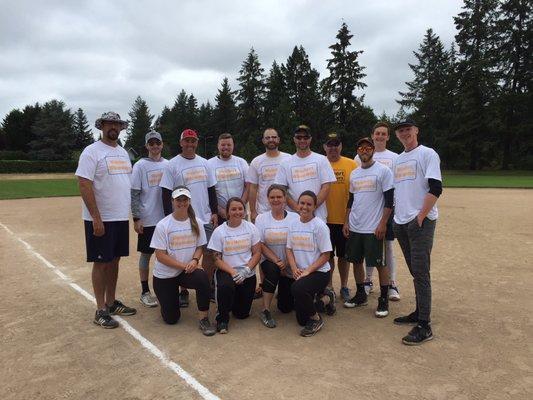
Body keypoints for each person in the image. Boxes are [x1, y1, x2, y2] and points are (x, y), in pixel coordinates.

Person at [75, 111, 136, 329]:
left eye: (117, 124)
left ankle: (111, 302)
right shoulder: (91, 152)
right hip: (101, 219)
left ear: (121, 128)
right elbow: (84, 183)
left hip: (120, 217)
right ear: (102, 126)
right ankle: (100, 309)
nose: (113, 127)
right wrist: (96, 218)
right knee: (101, 262)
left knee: (115, 260)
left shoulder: (122, 152)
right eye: (109, 123)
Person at [392, 119, 442, 345]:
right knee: (415, 270)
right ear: (398, 135)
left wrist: (420, 216)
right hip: (401, 222)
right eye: (401, 131)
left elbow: (436, 188)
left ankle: (424, 325)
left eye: (408, 130)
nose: (405, 133)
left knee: (421, 272)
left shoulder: (427, 154)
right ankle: (419, 312)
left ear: (416, 131)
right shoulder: (399, 159)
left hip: (420, 221)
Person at [159, 128, 218, 308]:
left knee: (208, 254)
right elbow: (166, 192)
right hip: (183, 217)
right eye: (187, 141)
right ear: (181, 143)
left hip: (205, 216)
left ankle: (207, 287)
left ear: (196, 143)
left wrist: (214, 211)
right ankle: (183, 290)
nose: (190, 144)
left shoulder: (205, 163)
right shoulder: (172, 164)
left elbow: (211, 189)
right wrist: (169, 217)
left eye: (193, 141)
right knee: (182, 253)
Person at [150, 186, 216, 336]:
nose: (182, 203)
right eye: (178, 200)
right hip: (166, 275)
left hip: (186, 270)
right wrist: (185, 265)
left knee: (203, 278)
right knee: (171, 319)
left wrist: (194, 260)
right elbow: (160, 255)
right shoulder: (163, 225)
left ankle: (203, 319)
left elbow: (200, 246)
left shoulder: (197, 222)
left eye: (185, 199)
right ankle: (168, 298)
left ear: (189, 201)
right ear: (172, 201)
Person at [343, 137, 394, 318]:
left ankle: (383, 299)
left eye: (367, 147)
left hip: (374, 227)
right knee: (356, 261)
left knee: (379, 264)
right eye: (361, 147)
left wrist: (383, 223)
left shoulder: (383, 171)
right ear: (357, 151)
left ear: (372, 150)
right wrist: (346, 221)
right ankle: (360, 294)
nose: (364, 150)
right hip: (356, 226)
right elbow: (351, 199)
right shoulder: (355, 174)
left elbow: (389, 201)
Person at [355, 122, 401, 301]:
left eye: (384, 134)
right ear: (372, 136)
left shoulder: (395, 157)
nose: (380, 136)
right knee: (368, 246)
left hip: (387, 208)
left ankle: (392, 283)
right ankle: (367, 281)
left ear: (388, 137)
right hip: (368, 209)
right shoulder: (359, 156)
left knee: (387, 247)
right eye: (377, 133)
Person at [208, 197, 261, 334]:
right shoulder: (219, 231)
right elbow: (216, 259)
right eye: (233, 209)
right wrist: (232, 272)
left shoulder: (251, 228)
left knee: (242, 314)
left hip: (246, 272)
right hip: (227, 271)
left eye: (240, 209)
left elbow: (257, 253)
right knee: (225, 287)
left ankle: (233, 301)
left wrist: (247, 270)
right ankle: (222, 319)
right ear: (227, 212)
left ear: (244, 211)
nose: (237, 212)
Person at [286, 191, 335, 337]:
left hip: (319, 272)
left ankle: (316, 319)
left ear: (314, 207)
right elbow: (288, 249)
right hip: (301, 272)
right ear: (297, 204)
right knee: (301, 320)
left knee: (297, 288)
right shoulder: (293, 224)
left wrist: (308, 270)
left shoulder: (319, 226)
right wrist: (294, 268)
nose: (304, 207)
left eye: (309, 204)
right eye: (302, 203)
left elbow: (326, 254)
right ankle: (325, 299)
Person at [131, 130, 168, 307]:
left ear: (162, 144)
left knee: (169, 254)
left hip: (166, 218)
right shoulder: (140, 166)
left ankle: (170, 288)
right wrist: (136, 218)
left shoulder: (168, 164)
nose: (154, 146)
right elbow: (135, 193)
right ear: (147, 146)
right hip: (148, 218)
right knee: (146, 255)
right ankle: (145, 291)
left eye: (157, 143)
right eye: (151, 143)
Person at [255, 184, 300, 328]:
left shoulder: (295, 217)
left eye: (279, 197)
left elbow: (297, 243)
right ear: (268, 199)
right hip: (270, 261)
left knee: (285, 308)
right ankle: (265, 310)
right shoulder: (261, 218)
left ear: (285, 198)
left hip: (289, 263)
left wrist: (287, 262)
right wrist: (277, 261)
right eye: (272, 197)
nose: (276, 200)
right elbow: (260, 244)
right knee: (273, 270)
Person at [274, 125, 336, 223]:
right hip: (294, 217)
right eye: (299, 137)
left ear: (310, 139)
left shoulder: (321, 159)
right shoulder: (285, 163)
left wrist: (311, 207)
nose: (302, 140)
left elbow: (326, 187)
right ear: (294, 139)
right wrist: (299, 209)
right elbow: (282, 191)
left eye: (305, 137)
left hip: (318, 216)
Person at [323, 132, 358, 302]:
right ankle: (329, 287)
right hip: (325, 220)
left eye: (336, 144)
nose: (333, 148)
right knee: (327, 256)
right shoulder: (320, 163)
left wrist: (349, 219)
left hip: (345, 220)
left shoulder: (351, 164)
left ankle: (344, 285)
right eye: (329, 145)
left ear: (341, 146)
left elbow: (356, 193)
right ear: (324, 147)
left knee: (344, 257)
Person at [247, 128, 291, 223]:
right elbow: (253, 188)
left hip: (287, 211)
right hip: (264, 212)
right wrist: (253, 211)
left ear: (278, 139)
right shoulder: (256, 161)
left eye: (274, 137)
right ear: (263, 141)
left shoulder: (288, 159)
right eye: (267, 138)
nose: (271, 139)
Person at [207, 133, 249, 224]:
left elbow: (248, 186)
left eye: (229, 145)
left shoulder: (241, 162)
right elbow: (208, 190)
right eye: (223, 145)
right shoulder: (209, 164)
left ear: (233, 145)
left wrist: (240, 206)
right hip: (220, 214)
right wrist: (220, 210)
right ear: (218, 146)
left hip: (240, 213)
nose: (226, 147)